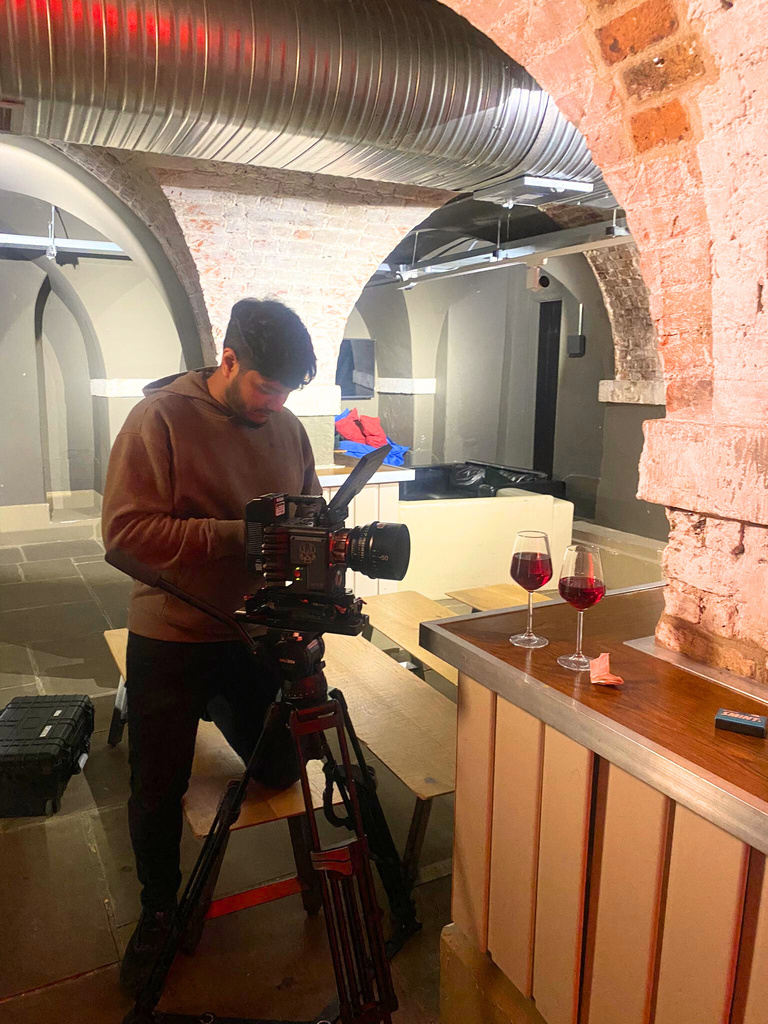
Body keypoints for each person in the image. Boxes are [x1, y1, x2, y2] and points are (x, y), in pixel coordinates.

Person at [101, 298, 321, 995]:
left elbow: (309, 518)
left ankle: (218, 707)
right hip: (172, 632)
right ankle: (158, 910)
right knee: (156, 789)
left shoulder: (287, 427)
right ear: (228, 360)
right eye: (266, 387)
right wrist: (239, 538)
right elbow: (125, 535)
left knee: (283, 767)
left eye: (287, 393)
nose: (276, 404)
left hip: (249, 629)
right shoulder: (160, 418)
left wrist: (313, 581)